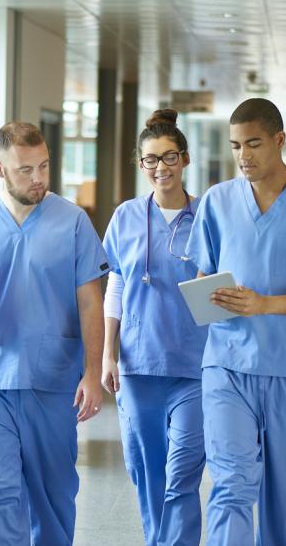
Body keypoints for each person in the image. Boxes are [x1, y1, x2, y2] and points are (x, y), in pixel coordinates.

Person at [0, 121, 110, 546]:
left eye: (45, 167)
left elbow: (92, 302)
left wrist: (93, 374)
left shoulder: (72, 221)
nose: (38, 179)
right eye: (26, 170)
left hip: (52, 379)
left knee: (52, 496)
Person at [186, 98, 286, 545]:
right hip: (227, 365)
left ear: (279, 140)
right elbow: (203, 271)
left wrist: (264, 305)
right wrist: (209, 292)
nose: (243, 156)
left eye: (253, 144)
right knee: (231, 483)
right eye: (235, 146)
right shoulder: (217, 202)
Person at [101, 109, 208, 546]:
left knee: (183, 468)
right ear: (140, 163)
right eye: (150, 159)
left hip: (195, 364)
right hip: (139, 363)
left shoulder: (207, 215)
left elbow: (222, 280)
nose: (160, 168)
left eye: (169, 157)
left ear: (184, 159)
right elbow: (116, 284)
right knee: (146, 468)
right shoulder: (125, 216)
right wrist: (108, 353)